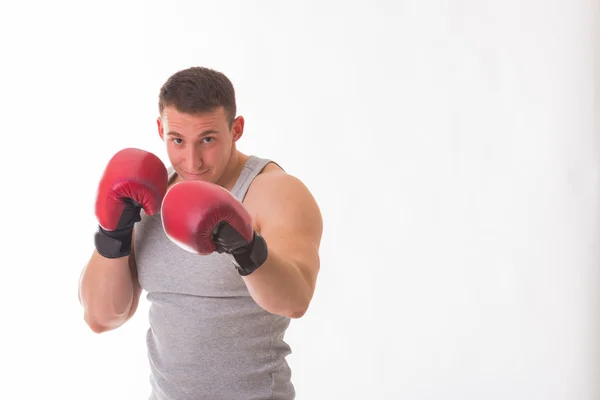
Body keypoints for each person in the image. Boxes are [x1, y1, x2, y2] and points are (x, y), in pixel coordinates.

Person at [78, 66, 323, 399]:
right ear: (161, 129)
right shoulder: (146, 194)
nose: (192, 162)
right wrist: (113, 234)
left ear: (236, 129)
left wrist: (245, 246)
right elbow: (101, 318)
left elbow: (295, 301)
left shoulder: (274, 192)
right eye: (177, 140)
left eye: (207, 139)